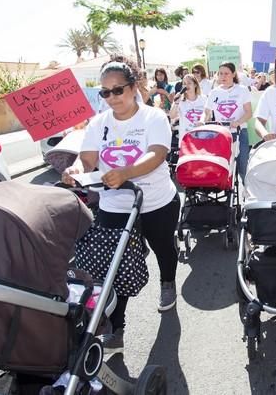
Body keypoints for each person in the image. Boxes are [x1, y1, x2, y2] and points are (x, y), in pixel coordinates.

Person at [61, 56, 180, 354]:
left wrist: (125, 173)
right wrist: (77, 168)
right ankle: (117, 327)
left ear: (133, 86)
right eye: (105, 92)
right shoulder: (99, 123)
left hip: (155, 202)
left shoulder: (153, 117)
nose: (112, 97)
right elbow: (87, 158)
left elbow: (156, 154)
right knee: (115, 266)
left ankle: (167, 282)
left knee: (164, 247)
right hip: (115, 206)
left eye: (118, 90)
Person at [198, 61, 252, 182]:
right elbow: (206, 112)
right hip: (221, 134)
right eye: (221, 73)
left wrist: (237, 122)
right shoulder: (214, 92)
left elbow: (249, 112)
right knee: (224, 164)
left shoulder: (242, 90)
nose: (223, 76)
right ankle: (228, 192)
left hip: (239, 132)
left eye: (226, 73)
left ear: (233, 74)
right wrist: (202, 121)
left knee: (243, 164)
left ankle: (247, 189)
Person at [169, 74, 206, 143]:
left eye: (189, 83)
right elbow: (171, 116)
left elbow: (208, 114)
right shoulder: (180, 100)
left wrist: (202, 120)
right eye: (184, 84)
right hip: (186, 139)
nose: (186, 85)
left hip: (202, 137)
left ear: (195, 85)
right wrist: (176, 103)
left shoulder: (203, 99)